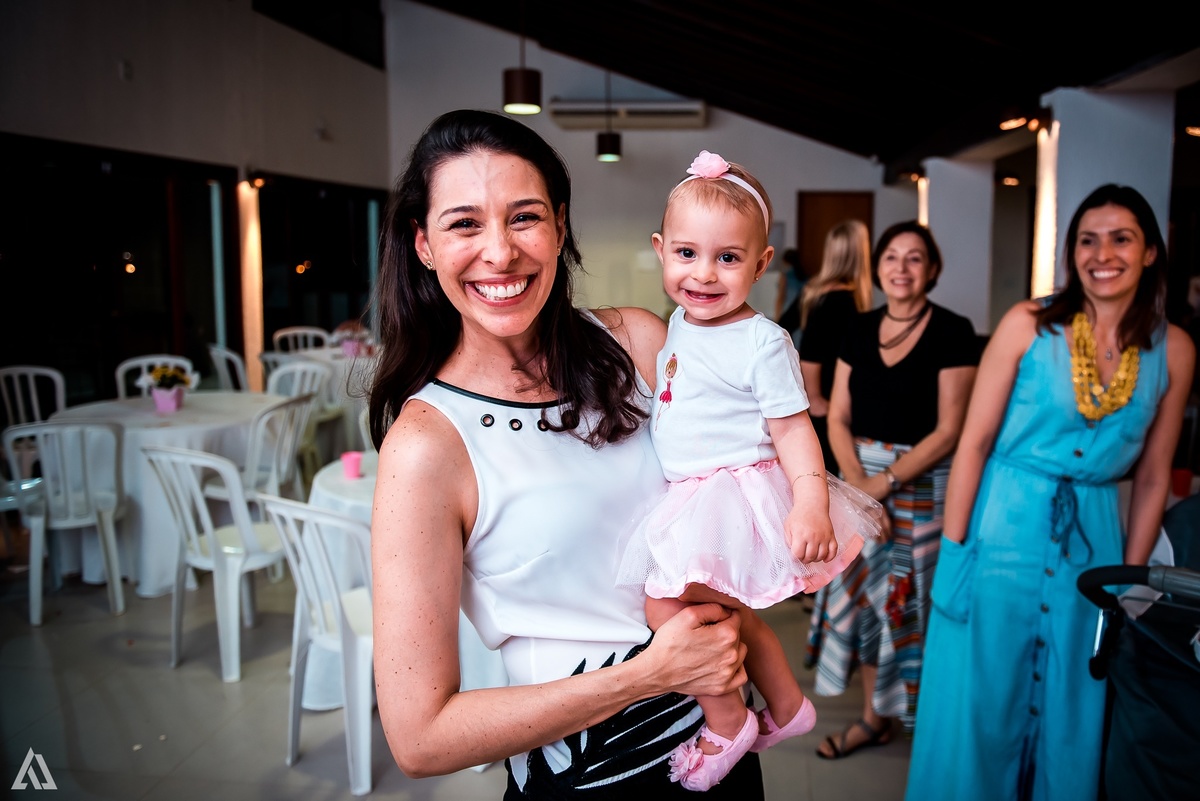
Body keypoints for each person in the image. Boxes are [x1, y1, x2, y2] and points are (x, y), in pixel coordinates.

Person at [367, 110, 763, 799]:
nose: (499, 253)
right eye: (464, 223)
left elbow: (735, 482)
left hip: (721, 744)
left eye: (523, 217)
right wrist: (650, 672)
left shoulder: (639, 344)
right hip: (591, 774)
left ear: (559, 224)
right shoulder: (427, 445)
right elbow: (420, 737)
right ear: (424, 244)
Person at [904, 184, 1195, 801]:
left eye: (1122, 238)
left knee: (1074, 698)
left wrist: (1131, 582)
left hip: (1094, 545)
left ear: (1149, 253)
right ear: (1071, 253)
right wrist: (954, 555)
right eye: (1087, 239)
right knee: (984, 698)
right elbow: (974, 445)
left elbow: (1151, 476)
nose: (1102, 253)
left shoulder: (1173, 349)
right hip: (1003, 525)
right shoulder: (1028, 325)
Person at [615, 151, 883, 790]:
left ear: (761, 264)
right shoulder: (679, 320)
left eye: (727, 259)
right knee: (730, 613)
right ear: (661, 250)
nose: (703, 275)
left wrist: (811, 503)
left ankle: (727, 717)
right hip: (691, 492)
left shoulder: (763, 341)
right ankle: (787, 706)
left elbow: (794, 427)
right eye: (686, 254)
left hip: (733, 492)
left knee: (664, 600)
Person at [805, 220, 979, 758]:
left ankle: (922, 720)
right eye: (891, 258)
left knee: (912, 604)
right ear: (876, 267)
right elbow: (836, 415)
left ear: (932, 269)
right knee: (859, 603)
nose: (901, 268)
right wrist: (858, 488)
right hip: (859, 477)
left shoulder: (954, 330)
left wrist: (881, 484)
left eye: (914, 258)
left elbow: (951, 430)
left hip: (923, 487)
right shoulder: (857, 328)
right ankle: (871, 717)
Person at [797, 220, 874, 476]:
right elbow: (811, 356)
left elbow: (783, 324)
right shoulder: (840, 301)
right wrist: (820, 401)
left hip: (826, 410)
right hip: (827, 413)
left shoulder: (815, 292)